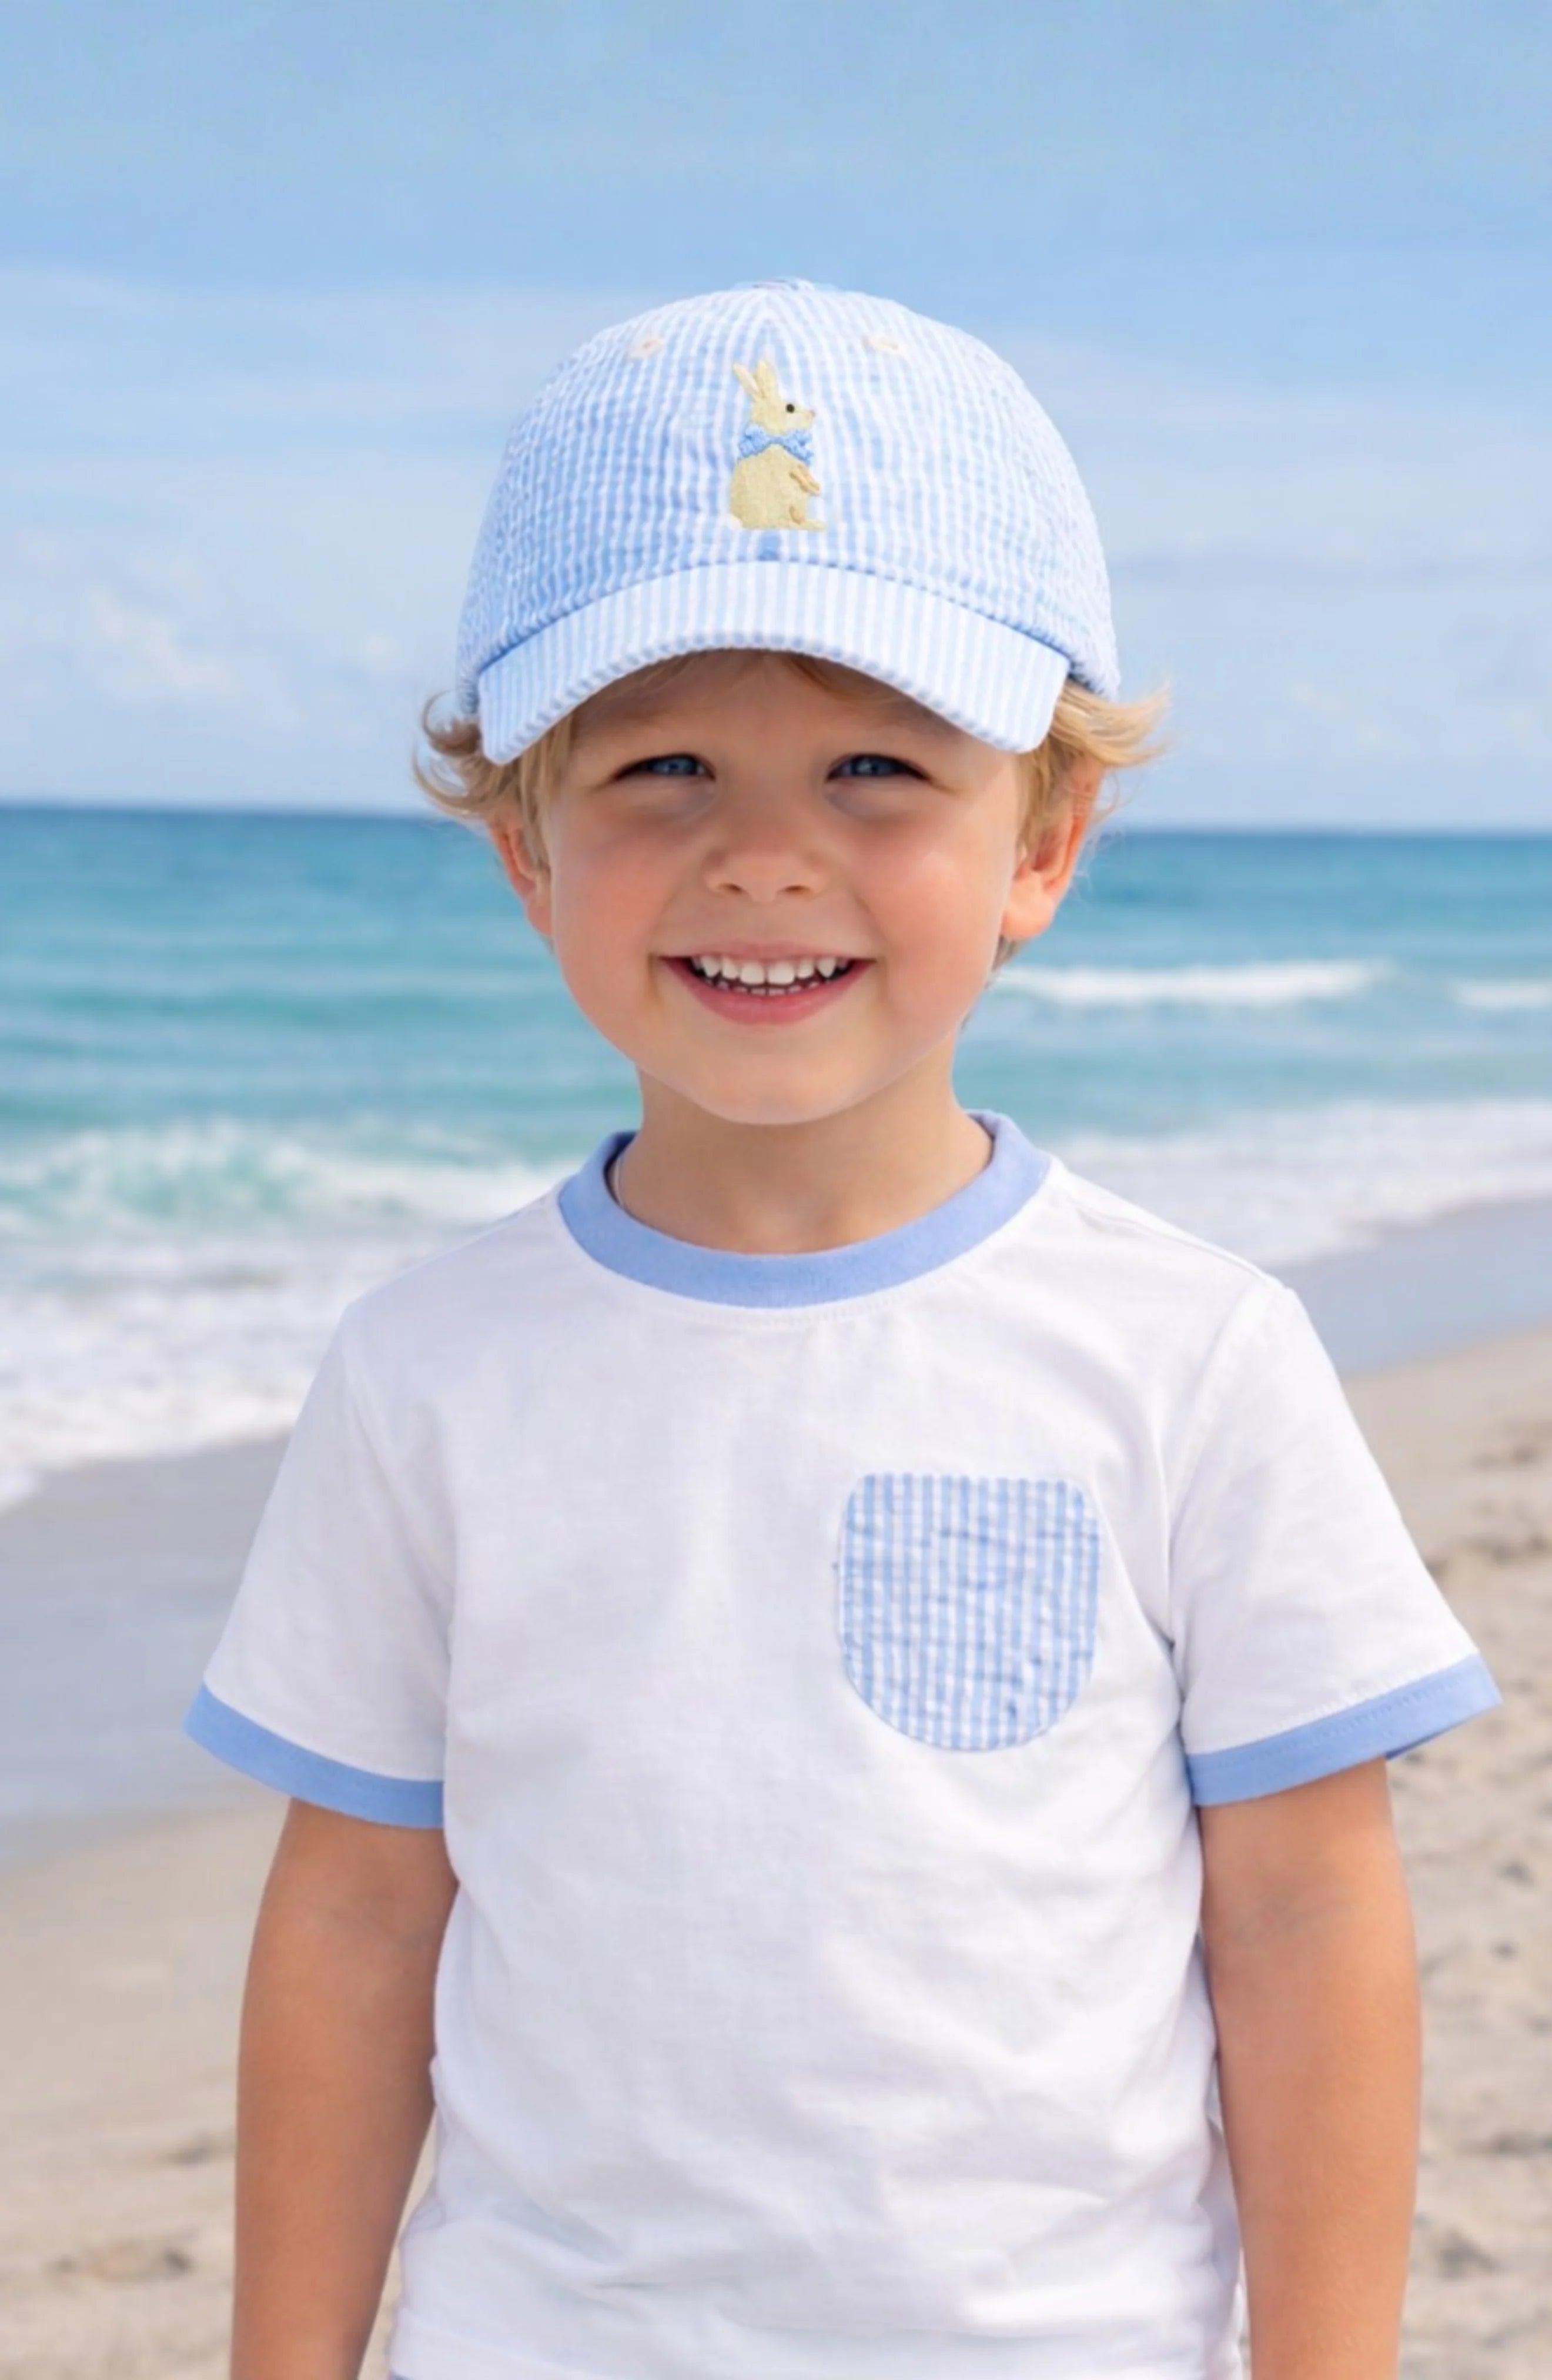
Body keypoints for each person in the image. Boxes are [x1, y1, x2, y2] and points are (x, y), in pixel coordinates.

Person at [187, 280, 1499, 2380]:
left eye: (880, 769)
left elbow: (1307, 1914)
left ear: (1041, 844)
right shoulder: (428, 1373)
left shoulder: (1192, 1355)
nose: (766, 855)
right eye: (665, 765)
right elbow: (354, 1923)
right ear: (527, 847)